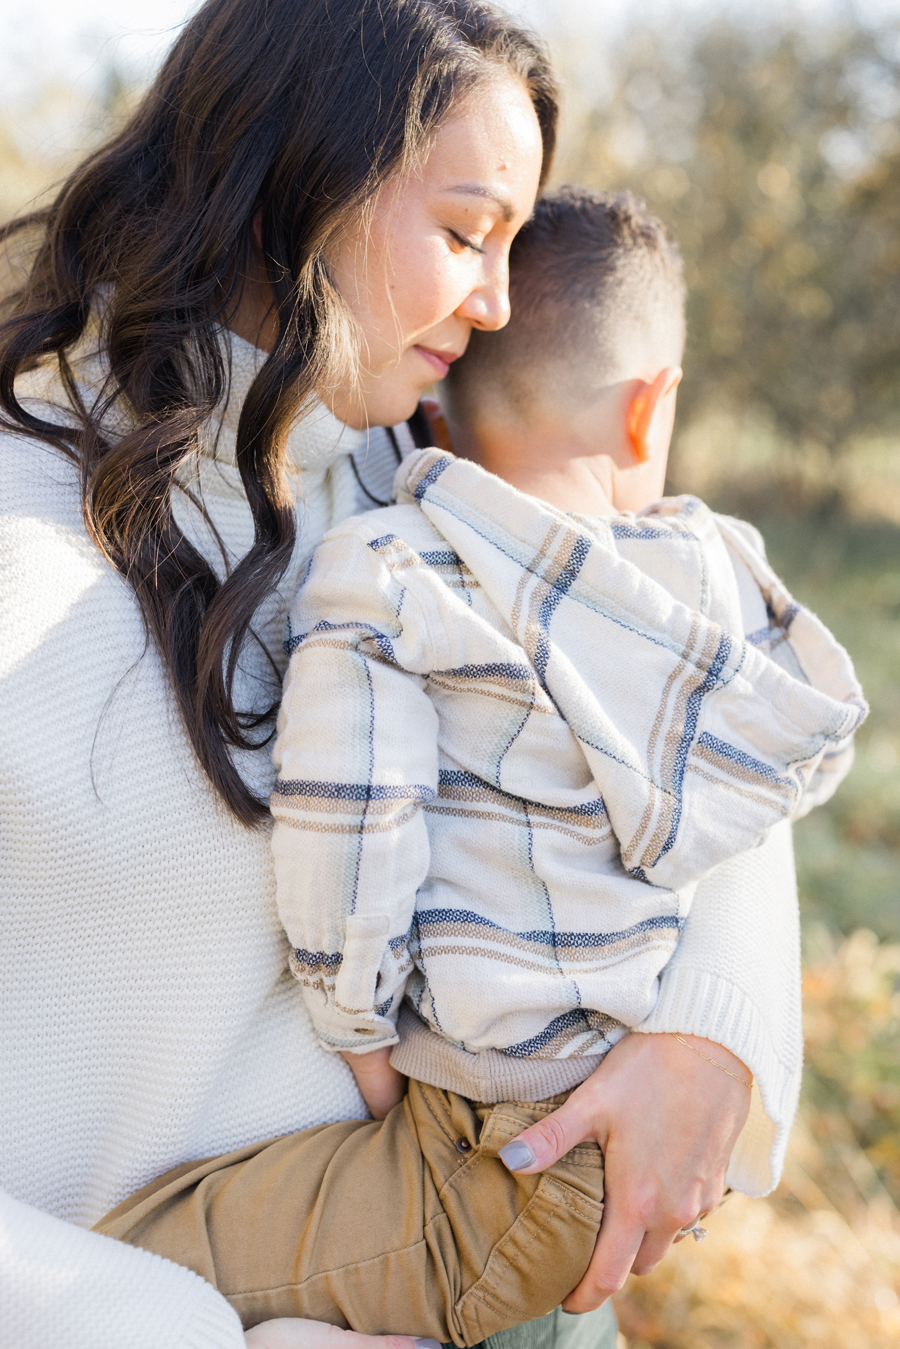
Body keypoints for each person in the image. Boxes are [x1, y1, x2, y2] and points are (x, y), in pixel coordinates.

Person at [0, 0, 815, 1340]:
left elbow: (683, 692)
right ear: (287, 188)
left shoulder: (423, 486)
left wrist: (711, 1033)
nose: (498, 302)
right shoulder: (23, 535)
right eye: (462, 231)